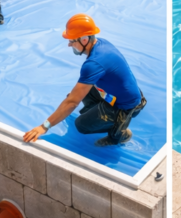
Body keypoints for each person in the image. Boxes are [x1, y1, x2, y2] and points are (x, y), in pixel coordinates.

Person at [23, 14, 146, 146]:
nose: (69, 45)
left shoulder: (94, 64)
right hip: (122, 94)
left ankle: (120, 132)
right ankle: (99, 116)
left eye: (72, 41)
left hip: (126, 106)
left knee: (81, 125)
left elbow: (72, 103)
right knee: (79, 94)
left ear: (84, 39)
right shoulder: (101, 44)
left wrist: (44, 126)